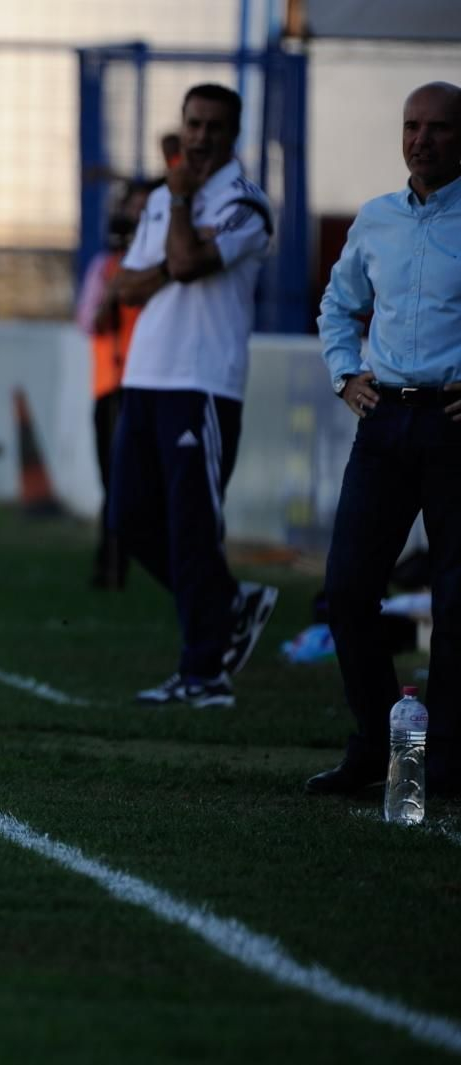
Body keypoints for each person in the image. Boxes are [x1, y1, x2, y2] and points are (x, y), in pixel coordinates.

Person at [307, 81, 461, 796]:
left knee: (456, 597)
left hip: (454, 428)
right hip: (384, 421)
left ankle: (448, 761)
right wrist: (345, 376)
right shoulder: (375, 219)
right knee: (345, 589)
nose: (421, 139)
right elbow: (338, 306)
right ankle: (373, 743)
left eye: (437, 128)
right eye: (412, 126)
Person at [107, 83, 280, 709]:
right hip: (147, 376)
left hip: (202, 383)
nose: (200, 138)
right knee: (129, 518)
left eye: (213, 127)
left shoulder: (245, 205)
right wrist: (176, 225)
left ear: (234, 134)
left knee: (192, 528)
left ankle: (204, 670)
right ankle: (231, 604)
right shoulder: (162, 197)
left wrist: (180, 215)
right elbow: (127, 285)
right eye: (192, 125)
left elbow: (182, 266)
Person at [74, 179, 153, 589]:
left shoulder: (161, 265)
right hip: (114, 387)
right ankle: (111, 565)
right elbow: (91, 322)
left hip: (153, 385)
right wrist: (116, 290)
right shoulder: (106, 268)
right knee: (116, 482)